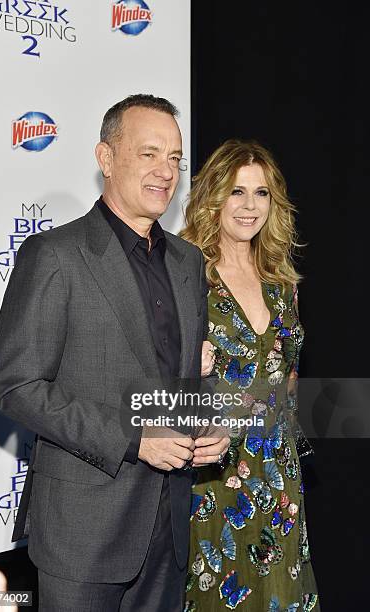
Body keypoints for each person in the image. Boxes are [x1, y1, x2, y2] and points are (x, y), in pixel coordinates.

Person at [0, 94, 229, 612]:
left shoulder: (189, 264)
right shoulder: (55, 255)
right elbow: (18, 387)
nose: (165, 171)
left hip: (169, 528)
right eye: (149, 154)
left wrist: (210, 424)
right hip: (84, 533)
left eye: (174, 158)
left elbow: (189, 377)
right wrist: (131, 437)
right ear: (105, 158)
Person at [181, 140, 320, 611]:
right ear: (213, 197)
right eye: (236, 192)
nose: (249, 206)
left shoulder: (281, 281)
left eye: (261, 194)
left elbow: (290, 379)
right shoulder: (185, 274)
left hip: (278, 474)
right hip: (212, 474)